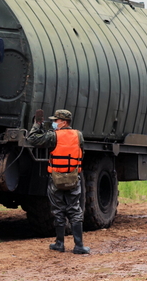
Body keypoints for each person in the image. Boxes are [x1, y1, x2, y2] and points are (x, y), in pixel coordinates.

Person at [26, 109, 90, 255]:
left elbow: (33, 139)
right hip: (74, 178)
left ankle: (59, 244)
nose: (54, 123)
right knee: (75, 210)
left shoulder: (53, 136)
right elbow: (82, 153)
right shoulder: (78, 135)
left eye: (56, 120)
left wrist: (37, 124)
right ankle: (79, 246)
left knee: (58, 210)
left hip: (56, 180)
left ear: (64, 122)